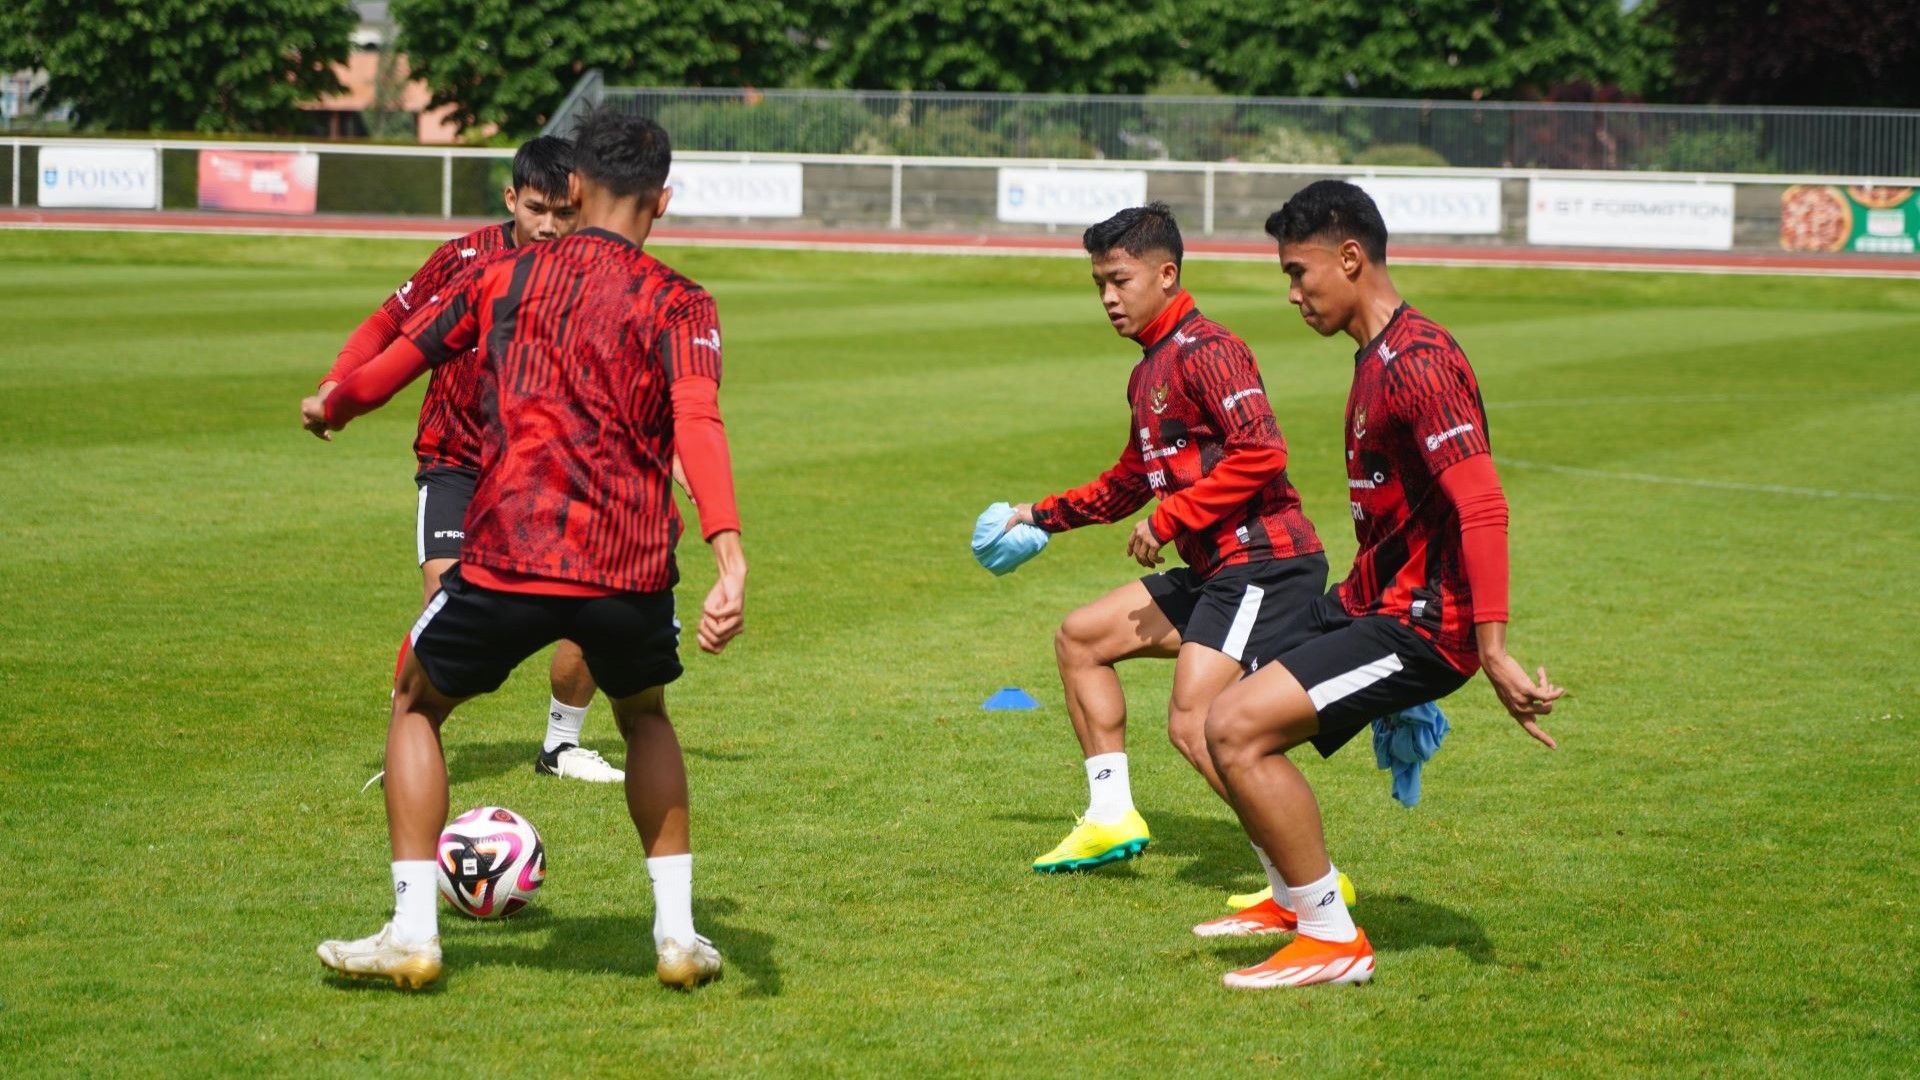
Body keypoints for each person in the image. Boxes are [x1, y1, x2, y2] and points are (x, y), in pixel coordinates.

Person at [303, 108, 746, 991]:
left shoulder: (498, 276)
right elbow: (699, 421)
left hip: (507, 553)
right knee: (646, 716)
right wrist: (729, 555)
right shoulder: (682, 300)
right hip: (626, 567)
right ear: (663, 199)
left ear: (572, 187)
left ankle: (414, 932)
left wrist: (336, 405)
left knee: (417, 705)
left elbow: (398, 362)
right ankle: (675, 938)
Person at [1201, 180, 1563, 989]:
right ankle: (1294, 900)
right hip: (1376, 602)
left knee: (1234, 727)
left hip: (1427, 627)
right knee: (1210, 709)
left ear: (1351, 258)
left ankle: (1331, 938)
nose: (1293, 293)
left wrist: (1493, 648)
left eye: (1300, 273)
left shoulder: (1420, 362)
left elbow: (1484, 503)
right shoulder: (1378, 357)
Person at [1008, 204, 1349, 921]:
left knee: (1198, 724)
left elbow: (1264, 452)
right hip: (1217, 571)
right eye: (1098, 282)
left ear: (1166, 275)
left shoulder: (1208, 349)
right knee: (1081, 638)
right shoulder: (1148, 372)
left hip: (1265, 563)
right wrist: (1040, 515)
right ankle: (1111, 816)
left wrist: (1172, 517)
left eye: (1120, 280)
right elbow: (1131, 478)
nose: (1107, 297)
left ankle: (1307, 888)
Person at [314, 135, 625, 785]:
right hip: (457, 461)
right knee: (447, 610)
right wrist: (334, 383)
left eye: (564, 213)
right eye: (536, 208)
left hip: (542, 470)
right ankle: (411, 739)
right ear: (511, 199)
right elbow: (385, 326)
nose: (548, 226)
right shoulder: (461, 261)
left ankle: (561, 747)